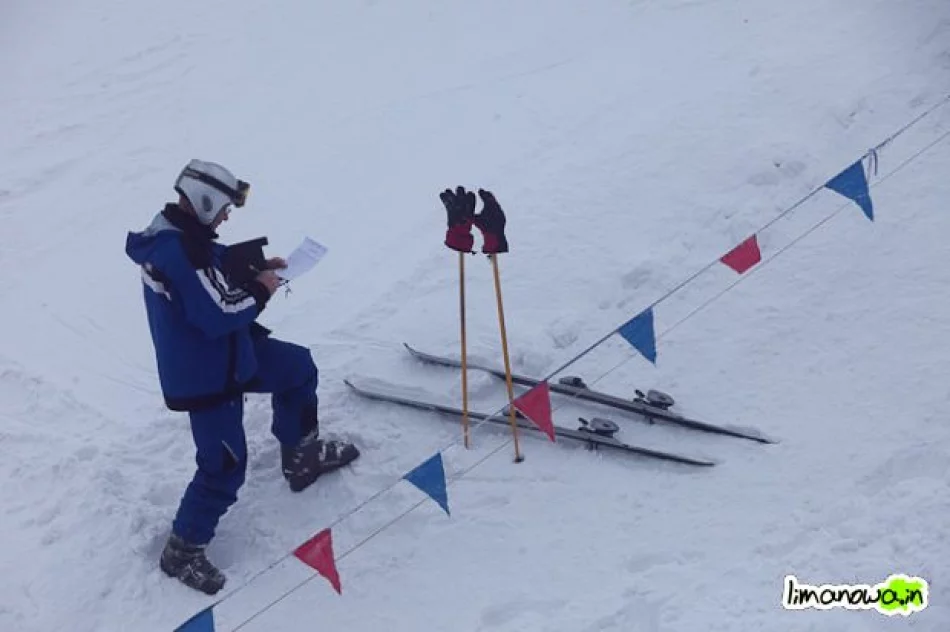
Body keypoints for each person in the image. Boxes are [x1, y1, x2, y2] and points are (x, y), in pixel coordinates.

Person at [124, 159, 359, 595]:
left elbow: (213, 271)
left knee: (297, 368)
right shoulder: (176, 251)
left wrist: (253, 269)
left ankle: (301, 454)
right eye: (225, 207)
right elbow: (218, 312)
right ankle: (183, 550)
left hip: (232, 353)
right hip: (205, 376)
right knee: (225, 466)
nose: (228, 216)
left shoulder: (186, 236)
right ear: (203, 200)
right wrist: (262, 288)